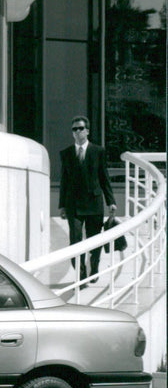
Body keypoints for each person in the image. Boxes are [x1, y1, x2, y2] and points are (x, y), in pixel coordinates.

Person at [58, 116, 116, 283]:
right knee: (75, 241)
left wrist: (111, 201)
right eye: (74, 129)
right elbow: (64, 181)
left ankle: (94, 266)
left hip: (94, 203)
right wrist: (62, 205)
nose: (77, 132)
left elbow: (104, 178)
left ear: (87, 131)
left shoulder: (98, 152)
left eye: (81, 128)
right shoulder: (66, 153)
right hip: (73, 205)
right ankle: (81, 274)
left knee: (94, 240)